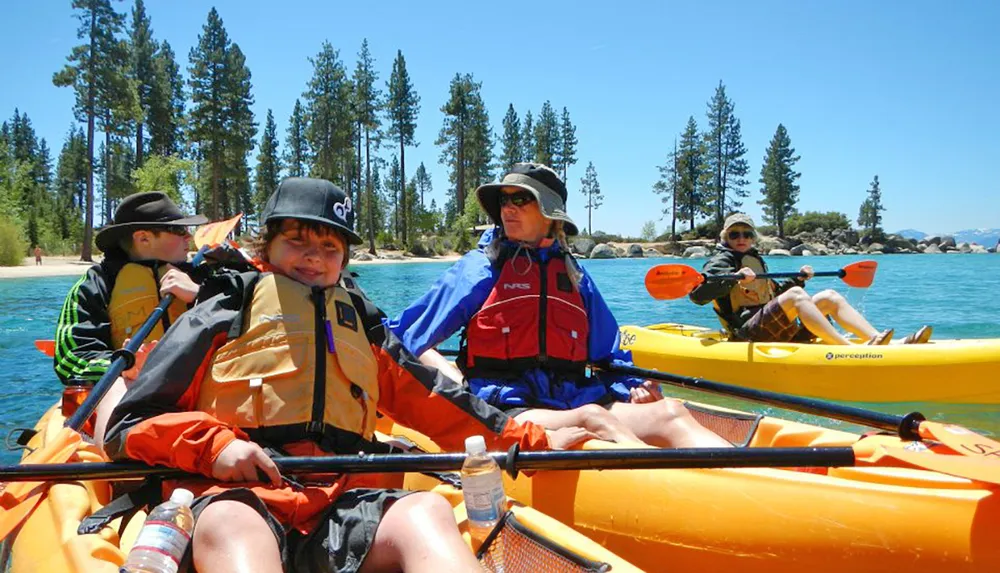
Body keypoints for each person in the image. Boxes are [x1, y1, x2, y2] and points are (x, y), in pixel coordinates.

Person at [104, 177, 588, 573]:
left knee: (426, 510)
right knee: (231, 522)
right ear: (266, 246)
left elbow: (440, 405)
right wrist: (217, 445)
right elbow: (130, 425)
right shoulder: (223, 310)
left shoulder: (361, 323)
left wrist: (533, 442)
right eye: (297, 240)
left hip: (339, 500)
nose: (314, 256)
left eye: (330, 246)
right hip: (242, 497)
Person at [389, 163, 731, 449]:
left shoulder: (574, 275)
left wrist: (636, 388)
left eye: (521, 199)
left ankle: (760, 478)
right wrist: (455, 380)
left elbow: (608, 354)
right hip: (509, 406)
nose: (508, 208)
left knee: (670, 411)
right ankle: (672, 486)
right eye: (503, 200)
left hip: (574, 396)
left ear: (551, 215)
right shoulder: (481, 268)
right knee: (595, 419)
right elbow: (406, 335)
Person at [52, 191, 207, 444]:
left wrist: (200, 295)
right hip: (130, 395)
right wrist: (128, 366)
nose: (188, 236)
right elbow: (72, 358)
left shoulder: (204, 277)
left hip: (197, 390)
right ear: (143, 238)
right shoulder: (95, 286)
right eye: (179, 231)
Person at [689, 213, 932, 345]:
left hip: (772, 326)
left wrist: (799, 279)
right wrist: (734, 279)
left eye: (746, 234)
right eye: (734, 234)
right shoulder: (721, 262)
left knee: (829, 296)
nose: (740, 238)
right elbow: (698, 295)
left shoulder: (754, 259)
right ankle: (847, 350)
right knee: (796, 297)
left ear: (753, 237)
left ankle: (882, 342)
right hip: (746, 333)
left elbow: (775, 296)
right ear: (726, 237)